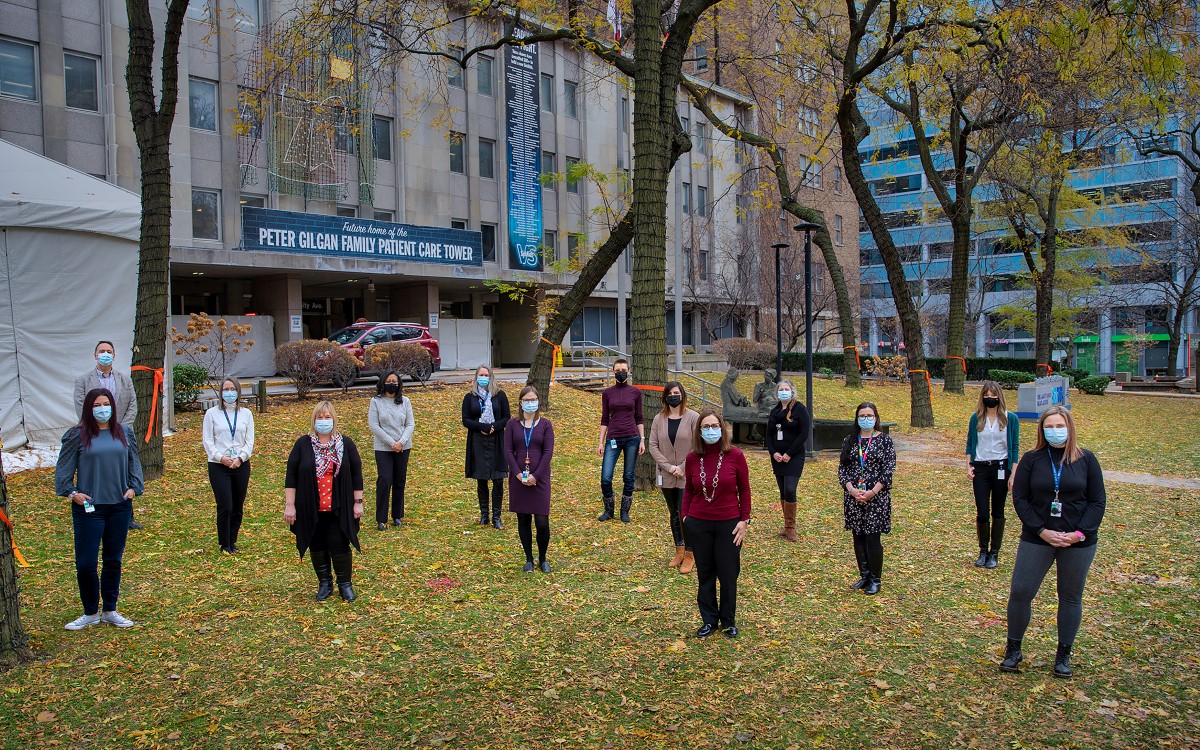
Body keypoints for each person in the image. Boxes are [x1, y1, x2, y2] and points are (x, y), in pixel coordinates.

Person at [1000, 405, 1105, 679]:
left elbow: (1097, 501)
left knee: (1070, 596)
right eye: (1049, 427)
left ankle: (1063, 655)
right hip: (1038, 537)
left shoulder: (1086, 459)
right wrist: (1041, 530)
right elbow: (1020, 498)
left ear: (1069, 428)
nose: (1055, 431)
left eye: (1060, 426)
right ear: (1041, 429)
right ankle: (1013, 649)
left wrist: (1078, 534)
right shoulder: (1031, 459)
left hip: (1077, 541)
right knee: (1021, 591)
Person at [55, 388, 144, 630]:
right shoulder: (77, 434)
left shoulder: (124, 432)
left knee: (113, 560)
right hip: (89, 508)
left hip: (119, 507)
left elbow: (134, 462)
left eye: (106, 404)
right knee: (86, 562)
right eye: (96, 405)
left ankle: (110, 610)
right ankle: (90, 612)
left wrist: (134, 488)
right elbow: (63, 469)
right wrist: (72, 493)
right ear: (88, 408)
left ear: (113, 406)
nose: (102, 409)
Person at [284, 401, 364, 602]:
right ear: (314, 420)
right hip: (310, 506)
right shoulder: (303, 444)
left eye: (327, 417)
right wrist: (290, 506)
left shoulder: (345, 444)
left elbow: (356, 474)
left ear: (334, 419)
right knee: (316, 543)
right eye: (320, 417)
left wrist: (358, 502)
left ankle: (345, 584)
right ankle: (325, 583)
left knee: (339, 543)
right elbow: (291, 476)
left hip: (338, 505)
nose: (323, 421)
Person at [682, 411, 751, 638]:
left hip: (729, 523)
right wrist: (686, 516)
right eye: (706, 426)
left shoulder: (735, 455)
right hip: (699, 523)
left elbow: (744, 489)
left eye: (714, 426)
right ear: (699, 431)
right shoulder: (693, 458)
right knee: (706, 573)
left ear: (722, 428)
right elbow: (689, 490)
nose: (710, 430)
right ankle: (709, 620)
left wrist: (744, 519)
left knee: (728, 574)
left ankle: (728, 620)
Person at [73, 340, 141, 530]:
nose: (105, 354)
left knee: (123, 473)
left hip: (119, 435)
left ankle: (126, 515)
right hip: (94, 436)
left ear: (114, 355)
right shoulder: (83, 381)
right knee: (96, 473)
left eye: (109, 351)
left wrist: (120, 429)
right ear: (95, 355)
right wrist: (96, 428)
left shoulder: (125, 380)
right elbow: (80, 407)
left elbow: (132, 406)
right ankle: (90, 510)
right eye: (101, 351)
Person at [837, 403, 896, 596]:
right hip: (854, 497)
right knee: (858, 536)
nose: (866, 419)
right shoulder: (849, 440)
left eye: (869, 415)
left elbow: (888, 470)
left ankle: (875, 579)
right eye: (862, 415)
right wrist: (852, 490)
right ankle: (864, 575)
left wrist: (872, 492)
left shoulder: (885, 441)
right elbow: (843, 469)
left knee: (872, 538)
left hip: (876, 498)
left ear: (876, 418)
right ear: (857, 418)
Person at [965, 380, 1020, 569]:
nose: (990, 398)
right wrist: (969, 466)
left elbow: (1014, 447)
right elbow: (970, 443)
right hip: (981, 468)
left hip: (1001, 467)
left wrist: (1013, 474)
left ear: (999, 396)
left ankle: (994, 552)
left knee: (998, 510)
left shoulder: (1010, 419)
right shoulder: (976, 418)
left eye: (993, 395)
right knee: (982, 511)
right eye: (987, 395)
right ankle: (983, 551)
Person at [648, 381, 699, 574]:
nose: (673, 396)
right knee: (674, 512)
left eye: (676, 393)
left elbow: (697, 445)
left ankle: (690, 554)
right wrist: (668, 467)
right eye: (669, 394)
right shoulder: (658, 419)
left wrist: (683, 467)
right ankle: (679, 549)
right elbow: (653, 446)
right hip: (666, 474)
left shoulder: (693, 417)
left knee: (685, 513)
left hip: (687, 474)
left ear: (682, 395)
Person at [503, 386, 555, 573]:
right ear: (520, 402)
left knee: (542, 521)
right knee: (523, 519)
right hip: (519, 478)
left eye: (533, 400)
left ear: (538, 401)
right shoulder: (512, 424)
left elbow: (548, 452)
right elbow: (508, 450)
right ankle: (529, 559)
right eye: (527, 400)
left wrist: (536, 475)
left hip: (540, 478)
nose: (530, 403)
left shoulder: (545, 424)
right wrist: (518, 474)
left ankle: (543, 558)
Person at [202, 377, 255, 554]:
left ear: (238, 392)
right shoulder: (212, 414)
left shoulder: (246, 414)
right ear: (221, 392)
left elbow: (249, 441)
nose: (229, 393)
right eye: (226, 389)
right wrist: (220, 457)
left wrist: (240, 458)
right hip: (218, 464)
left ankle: (233, 540)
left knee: (238, 506)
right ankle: (224, 543)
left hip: (241, 464)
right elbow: (208, 440)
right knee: (225, 504)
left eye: (232, 389)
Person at [462, 365, 510, 529]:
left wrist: (494, 427)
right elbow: (465, 420)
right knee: (481, 479)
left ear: (491, 377)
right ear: (476, 377)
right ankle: (484, 515)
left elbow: (507, 417)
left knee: (498, 479)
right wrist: (481, 427)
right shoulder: (470, 397)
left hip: (496, 439)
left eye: (486, 375)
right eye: (481, 375)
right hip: (478, 440)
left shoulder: (499, 395)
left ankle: (497, 517)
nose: (484, 377)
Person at [597, 358, 644, 523]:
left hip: (632, 438)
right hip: (613, 438)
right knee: (606, 477)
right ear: (613, 372)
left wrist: (642, 439)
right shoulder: (607, 393)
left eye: (623, 370)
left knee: (628, 476)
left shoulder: (636, 392)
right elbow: (604, 418)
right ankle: (609, 510)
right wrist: (600, 442)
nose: (620, 373)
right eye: (617, 370)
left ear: (629, 371)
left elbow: (639, 417)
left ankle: (625, 511)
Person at [764, 378, 811, 543]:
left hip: (794, 456)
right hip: (777, 457)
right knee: (783, 491)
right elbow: (769, 434)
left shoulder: (800, 409)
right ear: (777, 393)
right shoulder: (775, 411)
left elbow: (804, 433)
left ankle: (791, 527)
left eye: (786, 389)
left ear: (792, 391)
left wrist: (789, 453)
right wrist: (773, 452)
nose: (784, 392)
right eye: (781, 390)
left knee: (790, 489)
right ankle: (786, 525)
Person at [368, 371, 414, 530]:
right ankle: (381, 518)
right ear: (383, 383)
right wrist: (391, 443)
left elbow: (410, 424)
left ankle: (397, 515)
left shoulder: (405, 401)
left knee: (399, 480)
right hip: (383, 448)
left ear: (399, 384)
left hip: (403, 447)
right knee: (385, 480)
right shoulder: (376, 401)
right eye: (388, 381)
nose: (392, 384)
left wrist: (401, 442)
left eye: (394, 381)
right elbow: (374, 426)